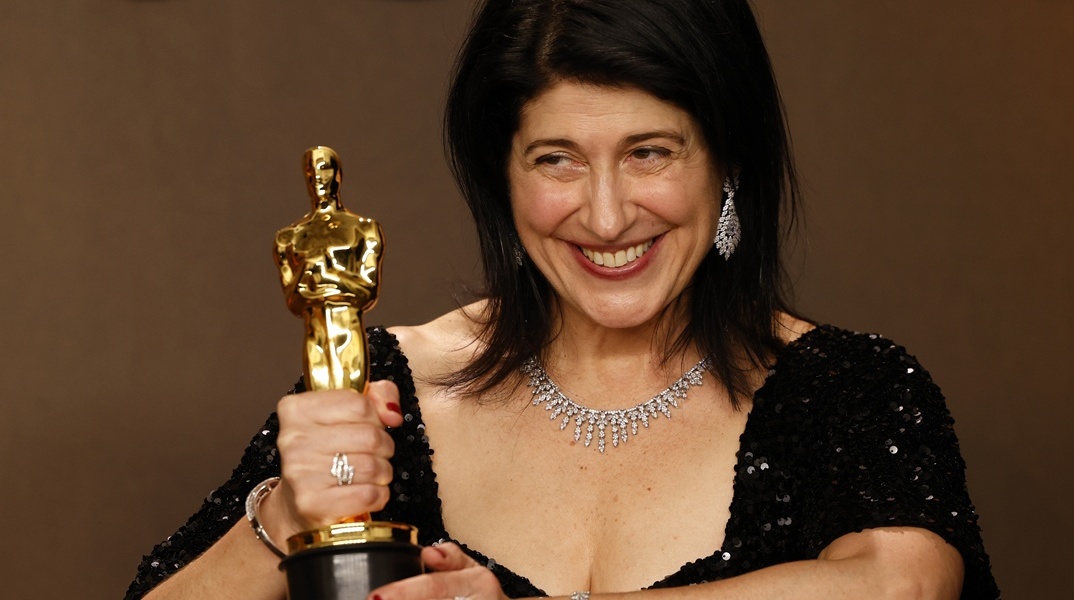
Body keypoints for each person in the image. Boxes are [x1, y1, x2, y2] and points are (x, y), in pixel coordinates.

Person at [126, 0, 1000, 598]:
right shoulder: (385, 388)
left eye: (650, 152)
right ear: (502, 180)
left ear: (727, 163)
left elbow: (902, 583)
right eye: (557, 160)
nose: (608, 215)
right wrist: (284, 517)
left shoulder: (850, 389)